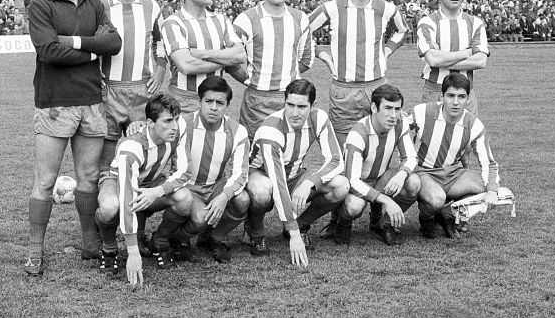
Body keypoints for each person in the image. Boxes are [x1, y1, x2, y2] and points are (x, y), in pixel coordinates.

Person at [25, 0, 122, 276]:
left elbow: (113, 43)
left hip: (92, 103)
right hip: (55, 103)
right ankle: (34, 250)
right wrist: (93, 51)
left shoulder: (95, 5)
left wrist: (77, 43)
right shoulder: (41, 4)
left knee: (90, 178)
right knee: (45, 181)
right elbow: (49, 51)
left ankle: (89, 243)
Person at [306, 0, 408, 238]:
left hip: (377, 86)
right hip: (343, 89)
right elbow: (302, 30)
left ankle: (376, 214)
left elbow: (402, 31)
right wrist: (324, 55)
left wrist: (387, 50)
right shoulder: (333, 8)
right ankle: (341, 220)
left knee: (381, 150)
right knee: (342, 156)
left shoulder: (386, 8)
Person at [244, 79, 350, 267]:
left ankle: (301, 224)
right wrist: (293, 234)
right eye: (290, 105)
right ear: (284, 102)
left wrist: (310, 182)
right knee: (262, 190)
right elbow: (277, 182)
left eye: (301, 106)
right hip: (262, 175)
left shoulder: (319, 118)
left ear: (312, 106)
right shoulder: (270, 129)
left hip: (294, 175)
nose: (294, 112)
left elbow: (335, 160)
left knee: (341, 186)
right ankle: (256, 232)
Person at [94, 94, 193, 288]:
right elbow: (127, 196)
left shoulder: (178, 130)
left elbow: (184, 171)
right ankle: (109, 247)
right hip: (117, 181)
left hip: (151, 184)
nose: (174, 126)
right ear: (150, 122)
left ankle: (160, 240)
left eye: (176, 119)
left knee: (184, 199)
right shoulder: (131, 146)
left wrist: (157, 191)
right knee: (110, 207)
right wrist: (132, 252)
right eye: (167, 121)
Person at [95, 0, 166, 173]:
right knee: (104, 160)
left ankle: (138, 205)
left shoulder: (151, 6)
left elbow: (160, 42)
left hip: (142, 90)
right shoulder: (99, 6)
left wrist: (161, 70)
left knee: (143, 155)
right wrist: (94, 75)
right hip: (109, 90)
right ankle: (106, 206)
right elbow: (91, 45)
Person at [410, 73, 501, 239]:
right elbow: (398, 126)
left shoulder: (474, 124)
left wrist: (492, 191)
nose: (455, 102)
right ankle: (427, 218)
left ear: (468, 98)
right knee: (437, 199)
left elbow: (489, 163)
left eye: (461, 97)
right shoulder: (422, 112)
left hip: (453, 174)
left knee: (487, 187)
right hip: (424, 172)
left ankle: (449, 212)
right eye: (450, 95)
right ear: (442, 96)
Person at [231, 0, 314, 141]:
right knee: (255, 154)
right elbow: (231, 60)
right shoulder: (246, 19)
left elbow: (306, 59)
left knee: (288, 153)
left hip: (290, 100)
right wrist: (250, 79)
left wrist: (285, 73)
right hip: (257, 101)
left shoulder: (300, 18)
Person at [176, 76, 251, 263]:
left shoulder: (237, 131)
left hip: (215, 185)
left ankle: (215, 238)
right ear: (199, 101)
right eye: (209, 101)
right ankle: (178, 238)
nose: (214, 107)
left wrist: (224, 196)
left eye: (220, 102)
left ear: (227, 105)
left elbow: (241, 173)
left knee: (242, 200)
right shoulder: (182, 124)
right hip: (187, 188)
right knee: (200, 219)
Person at [337, 84, 420, 246]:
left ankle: (383, 224)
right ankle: (341, 222)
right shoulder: (358, 133)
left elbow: (411, 157)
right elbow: (352, 181)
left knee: (413, 182)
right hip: (355, 185)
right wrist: (387, 201)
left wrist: (402, 174)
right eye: (388, 108)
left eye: (397, 109)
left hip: (380, 178)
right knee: (354, 206)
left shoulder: (399, 124)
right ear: (374, 108)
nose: (393, 115)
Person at [161, 0, 245, 113]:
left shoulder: (221, 20)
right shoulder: (173, 23)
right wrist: (224, 60)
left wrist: (201, 53)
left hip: (216, 100)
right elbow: (187, 65)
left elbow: (239, 55)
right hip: (184, 101)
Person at [416, 0, 489, 115]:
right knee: (431, 137)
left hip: (465, 92)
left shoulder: (475, 23)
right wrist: (468, 52)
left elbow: (480, 61)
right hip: (435, 90)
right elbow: (433, 60)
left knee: (466, 136)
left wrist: (443, 57)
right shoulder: (427, 23)